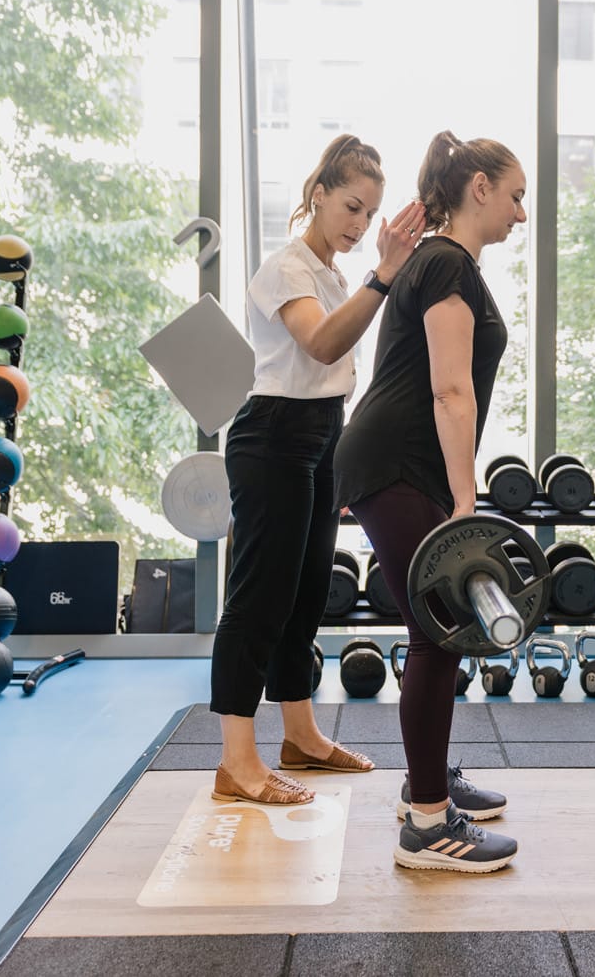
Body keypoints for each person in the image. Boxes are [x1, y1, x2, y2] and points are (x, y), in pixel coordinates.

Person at [210, 134, 426, 806]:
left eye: (371, 214)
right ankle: (236, 763)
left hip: (321, 436)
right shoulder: (287, 269)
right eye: (351, 207)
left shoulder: (331, 276)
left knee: (306, 595)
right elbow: (323, 343)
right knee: (259, 597)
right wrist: (383, 275)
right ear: (320, 193)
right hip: (272, 436)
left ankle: (300, 736)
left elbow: (338, 374)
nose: (360, 224)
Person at [334, 130, 527, 872]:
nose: (520, 213)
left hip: (398, 461)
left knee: (440, 629)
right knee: (439, 633)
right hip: (398, 463)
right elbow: (450, 391)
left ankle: (428, 779)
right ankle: (426, 824)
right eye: (514, 196)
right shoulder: (445, 262)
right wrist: (464, 501)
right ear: (479, 188)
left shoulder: (446, 262)